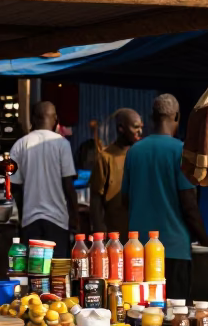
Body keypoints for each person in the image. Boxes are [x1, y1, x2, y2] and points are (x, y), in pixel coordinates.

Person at [120, 94, 208, 299]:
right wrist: (207, 242)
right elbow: (189, 206)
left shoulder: (134, 151)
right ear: (177, 117)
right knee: (174, 315)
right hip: (174, 249)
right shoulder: (180, 151)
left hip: (138, 250)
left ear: (152, 117)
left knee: (140, 313)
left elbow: (125, 200)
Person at [9, 100, 77, 257]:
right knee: (57, 272)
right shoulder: (62, 144)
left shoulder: (18, 146)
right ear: (55, 119)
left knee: (34, 273)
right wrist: (75, 218)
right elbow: (68, 185)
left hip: (30, 221)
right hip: (57, 221)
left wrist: (22, 215)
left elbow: (15, 187)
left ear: (33, 119)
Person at [90, 107, 144, 234]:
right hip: (115, 234)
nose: (140, 131)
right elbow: (96, 199)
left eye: (141, 127)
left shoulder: (143, 155)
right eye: (135, 127)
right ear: (121, 128)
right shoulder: (105, 158)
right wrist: (99, 231)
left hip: (141, 233)